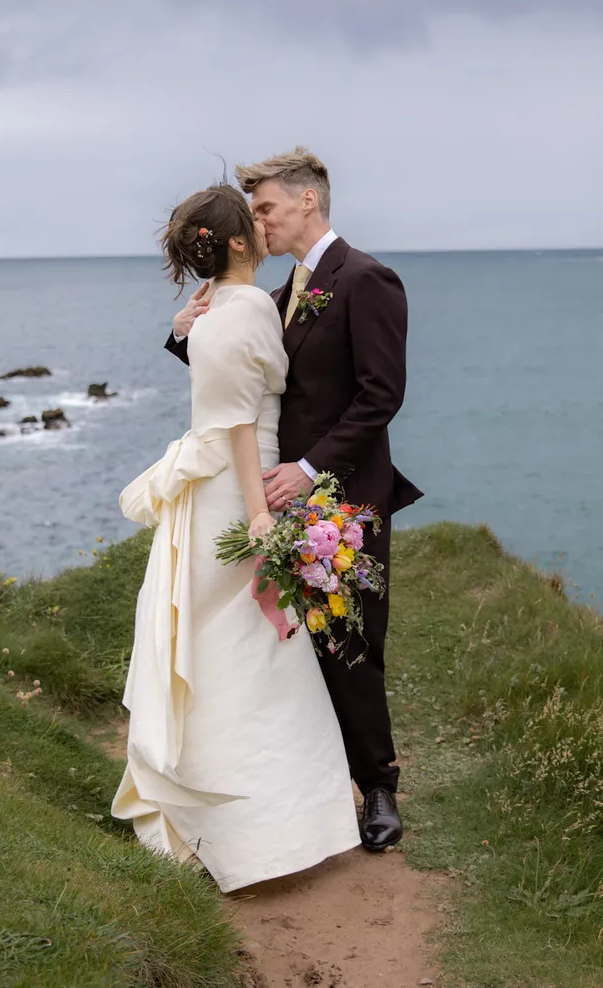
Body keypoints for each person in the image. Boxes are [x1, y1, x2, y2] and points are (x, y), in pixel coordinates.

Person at [166, 148, 422, 851]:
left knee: (352, 638)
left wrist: (308, 468)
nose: (259, 222)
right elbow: (241, 379)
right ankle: (309, 788)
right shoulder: (280, 295)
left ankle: (378, 789)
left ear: (308, 201)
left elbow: (381, 396)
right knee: (294, 645)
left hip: (342, 498)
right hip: (278, 498)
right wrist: (185, 330)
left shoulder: (369, 279)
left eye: (267, 208)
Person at [111, 184, 360, 892]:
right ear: (241, 244)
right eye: (253, 219)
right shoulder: (246, 306)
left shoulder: (216, 309)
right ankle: (258, 825)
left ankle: (235, 808)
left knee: (229, 636)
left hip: (217, 486)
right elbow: (239, 426)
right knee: (248, 641)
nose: (263, 220)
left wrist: (183, 328)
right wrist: (260, 513)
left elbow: (225, 400)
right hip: (236, 486)